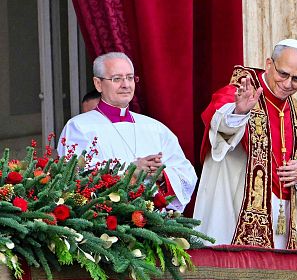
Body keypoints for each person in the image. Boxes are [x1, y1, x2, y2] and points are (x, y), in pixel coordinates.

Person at [194, 39, 297, 249]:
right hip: (233, 206)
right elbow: (216, 126)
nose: (288, 84)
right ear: (269, 64)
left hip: (279, 216)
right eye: (283, 74)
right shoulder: (239, 91)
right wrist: (239, 112)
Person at [57, 52, 197, 212]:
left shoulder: (155, 128)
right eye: (117, 79)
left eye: (130, 78)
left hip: (153, 225)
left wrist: (160, 175)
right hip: (104, 226)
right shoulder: (79, 127)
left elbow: (186, 174)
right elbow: (74, 179)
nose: (126, 85)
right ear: (98, 84)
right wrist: (130, 171)